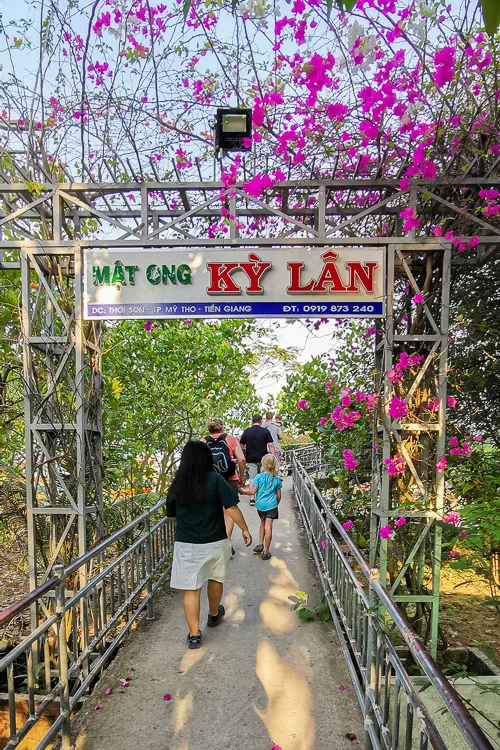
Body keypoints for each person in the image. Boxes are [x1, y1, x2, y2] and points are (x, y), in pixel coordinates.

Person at [167, 441, 252, 649]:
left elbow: (171, 516)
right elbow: (231, 507)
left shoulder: (178, 483)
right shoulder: (215, 480)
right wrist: (244, 529)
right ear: (207, 458)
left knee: (191, 588)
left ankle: (194, 635)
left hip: (187, 544)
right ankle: (214, 614)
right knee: (215, 578)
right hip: (215, 540)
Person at [202, 418, 246, 556]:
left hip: (210, 481)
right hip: (229, 479)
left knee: (214, 510)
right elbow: (241, 459)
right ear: (221, 428)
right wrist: (241, 476)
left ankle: (215, 543)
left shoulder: (203, 442)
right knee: (229, 510)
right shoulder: (231, 439)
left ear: (209, 429)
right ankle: (226, 542)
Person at [239, 454, 282, 560]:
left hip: (260, 506)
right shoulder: (276, 479)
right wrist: (276, 503)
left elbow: (252, 491)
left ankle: (260, 544)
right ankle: (266, 551)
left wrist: (243, 492)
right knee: (269, 528)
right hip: (271, 505)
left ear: (263, 464)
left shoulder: (258, 477)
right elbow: (279, 496)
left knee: (262, 523)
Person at [239, 414, 276, 505]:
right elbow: (270, 445)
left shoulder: (247, 431)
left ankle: (252, 498)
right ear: (261, 421)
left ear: (252, 421)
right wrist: (274, 457)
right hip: (263, 458)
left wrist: (241, 455)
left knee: (252, 477)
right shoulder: (265, 431)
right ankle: (265, 496)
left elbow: (241, 445)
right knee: (264, 476)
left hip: (251, 458)